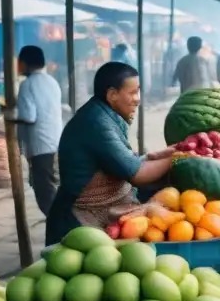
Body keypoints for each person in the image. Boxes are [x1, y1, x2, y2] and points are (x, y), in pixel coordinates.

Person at [45, 62, 175, 244]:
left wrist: (155, 157)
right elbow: (137, 174)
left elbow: (119, 160)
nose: (138, 99)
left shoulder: (101, 113)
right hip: (80, 220)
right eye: (132, 92)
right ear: (112, 95)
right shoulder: (97, 123)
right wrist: (177, 157)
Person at [10, 45, 62, 217]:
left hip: (41, 144)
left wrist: (10, 117)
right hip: (55, 140)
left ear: (24, 63)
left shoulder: (28, 84)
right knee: (50, 185)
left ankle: (59, 227)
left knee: (44, 192)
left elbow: (29, 116)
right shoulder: (51, 81)